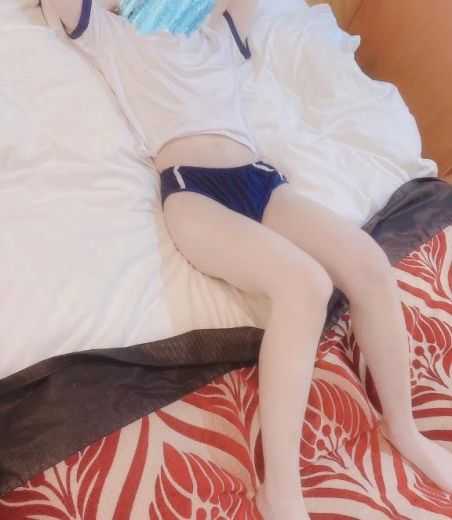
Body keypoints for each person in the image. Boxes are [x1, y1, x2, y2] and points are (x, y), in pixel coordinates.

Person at [42, 1, 452, 518]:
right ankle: (281, 488)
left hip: (261, 181)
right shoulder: (112, 30)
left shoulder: (221, 29)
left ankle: (404, 429)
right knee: (305, 285)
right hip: (194, 189)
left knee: (367, 263)